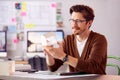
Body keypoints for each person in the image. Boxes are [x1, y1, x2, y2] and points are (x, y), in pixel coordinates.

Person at [43, 4, 107, 74]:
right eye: (72, 20)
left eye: (78, 21)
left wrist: (62, 56)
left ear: (89, 23)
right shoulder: (68, 40)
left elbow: (91, 67)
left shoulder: (99, 39)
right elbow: (53, 68)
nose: (74, 24)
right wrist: (49, 54)